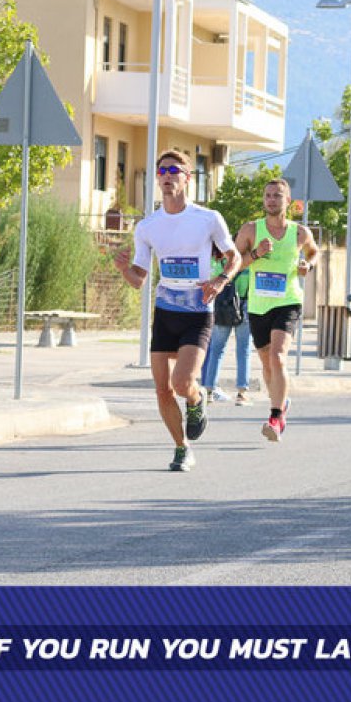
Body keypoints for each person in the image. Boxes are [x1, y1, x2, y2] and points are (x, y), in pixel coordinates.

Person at [114, 149, 239, 472]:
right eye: (162, 171)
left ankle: (196, 399)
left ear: (187, 178)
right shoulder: (148, 226)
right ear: (158, 179)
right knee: (162, 388)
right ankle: (182, 448)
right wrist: (124, 269)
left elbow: (234, 257)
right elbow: (139, 279)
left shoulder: (207, 218)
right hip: (165, 312)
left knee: (183, 383)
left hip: (198, 311)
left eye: (174, 170)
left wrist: (220, 280)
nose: (167, 176)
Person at [235, 177, 320, 443]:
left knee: (278, 357)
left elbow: (314, 252)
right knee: (266, 362)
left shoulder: (299, 232)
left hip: (288, 302)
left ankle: (275, 417)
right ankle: (281, 402)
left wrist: (308, 265)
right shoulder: (250, 230)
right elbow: (234, 263)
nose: (271, 200)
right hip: (258, 305)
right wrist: (256, 254)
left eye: (277, 195)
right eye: (268, 195)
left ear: (288, 201)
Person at [201, 249, 252, 405]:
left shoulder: (221, 262)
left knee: (217, 349)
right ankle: (242, 393)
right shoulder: (250, 263)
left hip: (223, 306)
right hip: (244, 305)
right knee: (244, 349)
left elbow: (212, 280)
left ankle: (209, 390)